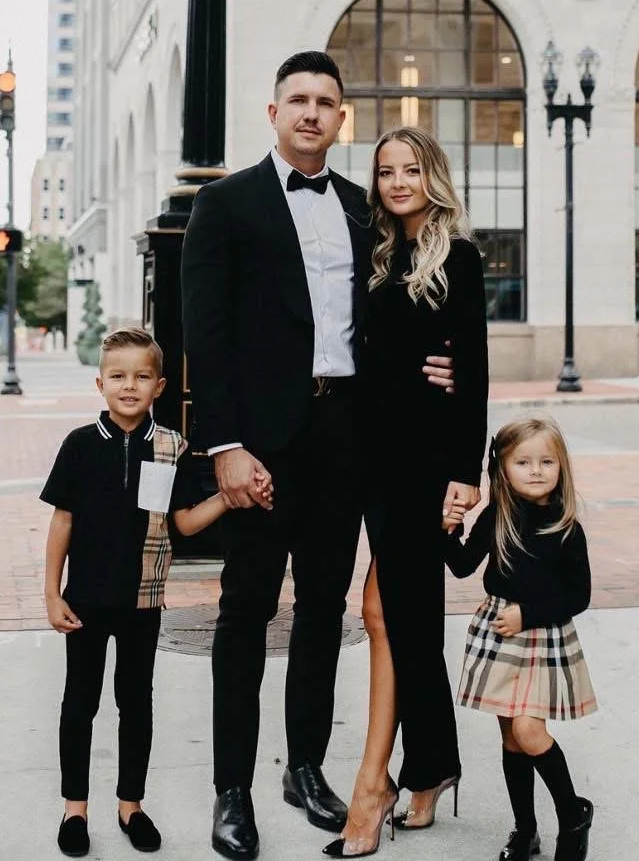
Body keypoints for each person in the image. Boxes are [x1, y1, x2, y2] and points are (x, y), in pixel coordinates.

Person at [180, 52, 456, 861]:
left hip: (347, 438)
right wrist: (226, 446)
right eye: (297, 99)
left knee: (323, 609)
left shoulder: (363, 211)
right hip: (259, 445)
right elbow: (206, 335)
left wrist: (444, 363)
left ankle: (303, 769)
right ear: (273, 113)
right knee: (245, 611)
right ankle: (232, 788)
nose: (311, 112)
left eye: (325, 102)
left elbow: (403, 312)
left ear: (341, 119)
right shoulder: (224, 205)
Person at [42, 327, 271, 859]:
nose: (129, 386)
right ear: (100, 383)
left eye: (141, 376)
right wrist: (52, 594)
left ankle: (131, 805)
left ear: (159, 385)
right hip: (85, 601)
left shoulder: (171, 448)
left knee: (136, 703)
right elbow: (62, 523)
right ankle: (75, 809)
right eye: (118, 376)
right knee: (80, 702)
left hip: (142, 602)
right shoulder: (79, 445)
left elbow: (184, 523)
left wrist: (229, 497)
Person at [322, 127, 488, 858]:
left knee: (395, 612)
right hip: (371, 456)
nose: (396, 182)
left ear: (432, 175)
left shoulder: (458, 257)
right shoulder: (375, 252)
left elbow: (472, 369)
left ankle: (377, 786)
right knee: (399, 616)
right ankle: (428, 768)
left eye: (410, 169)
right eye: (385, 170)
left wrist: (465, 473)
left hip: (425, 460)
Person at [445, 417, 596, 861]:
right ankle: (525, 830)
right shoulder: (498, 516)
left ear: (561, 467)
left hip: (541, 635)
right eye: (523, 462)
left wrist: (527, 614)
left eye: (547, 462)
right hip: (500, 633)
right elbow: (462, 566)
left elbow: (579, 595)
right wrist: (448, 530)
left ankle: (572, 815)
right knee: (512, 738)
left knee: (530, 731)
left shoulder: (566, 527)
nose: (535, 470)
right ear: (503, 470)